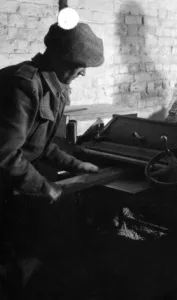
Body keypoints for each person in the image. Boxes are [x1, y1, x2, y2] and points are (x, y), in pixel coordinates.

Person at [0, 13, 105, 295]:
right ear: (61, 59)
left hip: (16, 176)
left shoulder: (57, 89)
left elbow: (43, 146)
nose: (83, 73)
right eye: (80, 66)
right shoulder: (24, 85)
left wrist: (76, 164)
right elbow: (5, 155)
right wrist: (46, 189)